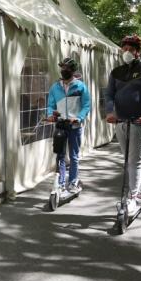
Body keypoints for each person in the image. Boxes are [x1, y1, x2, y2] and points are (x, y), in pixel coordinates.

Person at [105, 34, 141, 213]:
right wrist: (109, 112)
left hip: (139, 121)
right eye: (125, 49)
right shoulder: (116, 72)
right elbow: (109, 95)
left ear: (137, 52)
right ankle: (140, 195)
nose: (127, 52)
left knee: (134, 160)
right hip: (120, 121)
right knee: (129, 159)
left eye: (131, 49)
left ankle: (132, 196)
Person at [46, 57, 92, 193]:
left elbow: (86, 105)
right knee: (60, 155)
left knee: (73, 156)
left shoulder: (81, 86)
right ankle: (60, 183)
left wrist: (79, 118)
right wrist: (50, 114)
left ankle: (72, 182)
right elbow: (50, 105)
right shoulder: (55, 87)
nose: (63, 70)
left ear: (72, 70)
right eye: (62, 68)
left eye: (66, 68)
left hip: (74, 126)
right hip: (60, 124)